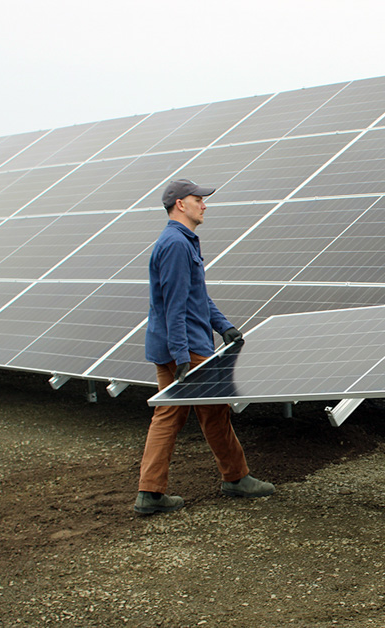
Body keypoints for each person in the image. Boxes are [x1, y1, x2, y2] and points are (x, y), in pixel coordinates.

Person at [134, 178, 274, 515]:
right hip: (186, 347)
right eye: (199, 199)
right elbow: (175, 305)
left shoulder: (180, 241)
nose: (204, 205)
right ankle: (236, 477)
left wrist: (223, 326)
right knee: (215, 412)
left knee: (169, 414)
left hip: (171, 343)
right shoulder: (177, 245)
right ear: (181, 204)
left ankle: (149, 493)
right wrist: (184, 356)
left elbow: (197, 297)